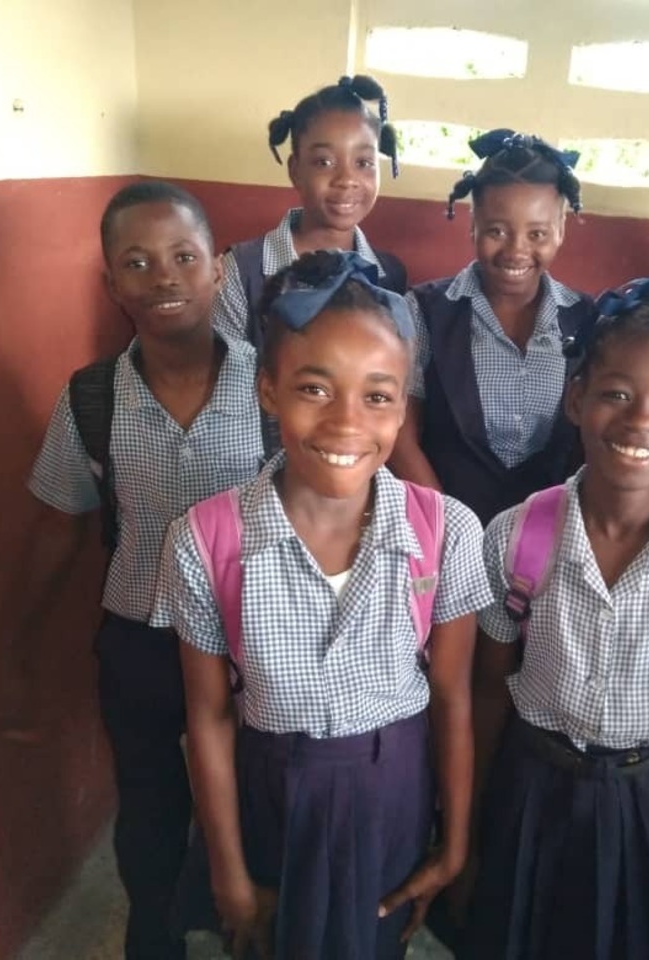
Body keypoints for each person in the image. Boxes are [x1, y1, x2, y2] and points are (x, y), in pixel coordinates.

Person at [152, 251, 492, 959]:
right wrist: (228, 871)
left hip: (392, 793)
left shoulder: (446, 530)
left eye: (377, 396)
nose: (346, 423)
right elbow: (209, 716)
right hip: (270, 794)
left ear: (403, 407)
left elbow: (453, 694)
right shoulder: (205, 540)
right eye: (314, 388)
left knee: (374, 940)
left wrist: (454, 840)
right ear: (269, 391)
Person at [465, 281, 649, 959]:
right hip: (531, 792)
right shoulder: (517, 536)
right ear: (576, 398)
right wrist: (474, 826)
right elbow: (487, 688)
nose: (640, 423)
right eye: (616, 394)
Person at [22, 181, 265, 959]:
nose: (163, 277)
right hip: (141, 638)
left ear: (218, 272)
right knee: (152, 808)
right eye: (137, 261)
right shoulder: (94, 399)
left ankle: (254, 930)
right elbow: (61, 527)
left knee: (258, 801)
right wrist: (16, 640)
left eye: (183, 257)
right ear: (111, 284)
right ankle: (154, 938)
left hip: (254, 644)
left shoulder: (274, 388)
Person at [388, 129, 598, 525]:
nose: (516, 250)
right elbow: (401, 433)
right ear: (473, 226)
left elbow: (588, 445)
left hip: (551, 532)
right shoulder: (427, 311)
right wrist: (445, 525)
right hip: (443, 525)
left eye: (537, 234)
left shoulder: (585, 319)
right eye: (496, 231)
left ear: (560, 232)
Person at [212, 74, 407, 352]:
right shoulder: (242, 271)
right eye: (324, 162)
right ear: (295, 170)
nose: (346, 179)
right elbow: (228, 380)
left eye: (364, 162)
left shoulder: (389, 275)